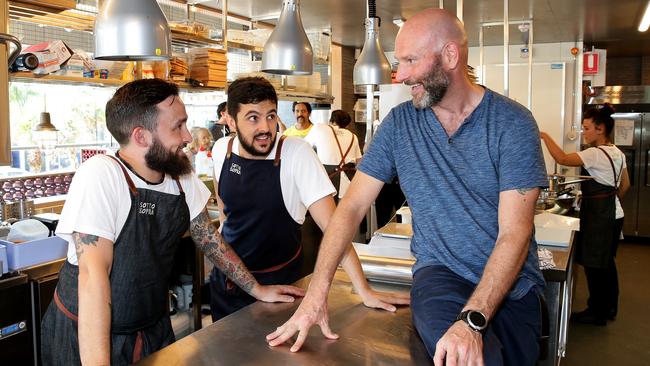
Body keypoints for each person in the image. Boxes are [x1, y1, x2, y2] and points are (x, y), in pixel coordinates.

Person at [267, 8, 549, 366]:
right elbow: (351, 208)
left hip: (513, 286)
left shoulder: (512, 123)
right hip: (442, 274)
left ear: (450, 55)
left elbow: (515, 232)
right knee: (464, 358)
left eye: (411, 60)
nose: (400, 75)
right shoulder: (400, 126)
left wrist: (473, 320)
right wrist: (316, 294)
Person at [40, 79, 306, 365]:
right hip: (87, 337)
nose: (188, 137)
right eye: (177, 127)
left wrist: (256, 289)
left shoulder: (180, 176)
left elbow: (209, 239)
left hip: (152, 326)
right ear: (141, 136)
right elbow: (93, 278)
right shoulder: (102, 175)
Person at [209, 76, 408, 321]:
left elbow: (336, 228)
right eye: (253, 118)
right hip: (227, 284)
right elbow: (224, 209)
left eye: (271, 116)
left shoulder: (295, 154)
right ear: (231, 120)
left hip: (280, 288)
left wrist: (363, 289)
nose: (265, 128)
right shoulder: (221, 150)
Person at [540, 103, 630, 326]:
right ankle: (609, 307)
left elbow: (561, 158)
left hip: (601, 216)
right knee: (607, 263)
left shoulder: (595, 154)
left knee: (594, 265)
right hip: (615, 213)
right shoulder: (616, 152)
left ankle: (596, 312)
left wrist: (544, 136)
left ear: (600, 129)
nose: (584, 132)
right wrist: (609, 200)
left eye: (587, 127)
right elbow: (626, 185)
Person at [304, 109, 362, 200]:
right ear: (347, 125)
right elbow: (359, 163)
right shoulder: (353, 136)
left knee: (329, 213)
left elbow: (304, 147)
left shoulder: (319, 128)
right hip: (349, 184)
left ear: (331, 121)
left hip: (328, 184)